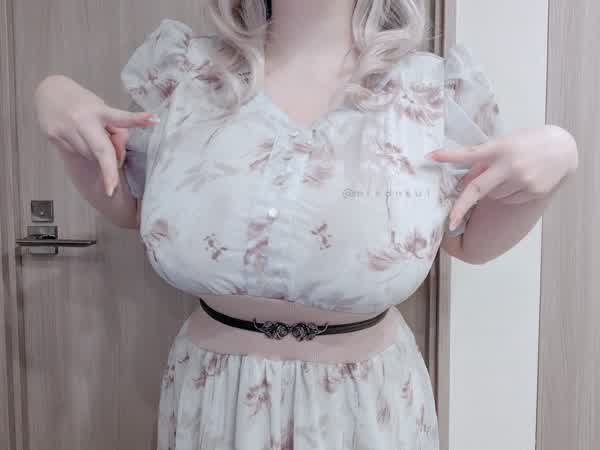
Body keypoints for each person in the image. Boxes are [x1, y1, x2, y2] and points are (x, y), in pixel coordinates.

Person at [34, 1, 578, 448]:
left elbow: (471, 242)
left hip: (366, 409)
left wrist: (559, 158)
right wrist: (54, 98)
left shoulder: (431, 90)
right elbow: (132, 209)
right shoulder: (188, 74)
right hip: (215, 401)